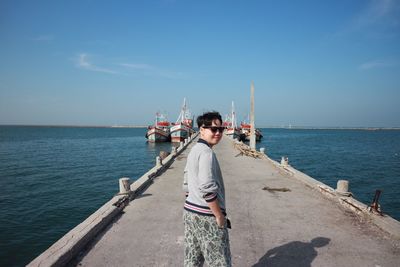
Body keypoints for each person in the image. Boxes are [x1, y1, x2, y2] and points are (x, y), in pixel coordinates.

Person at [183, 111, 231, 267]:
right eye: (212, 129)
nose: (217, 133)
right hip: (207, 216)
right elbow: (207, 188)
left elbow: (186, 181)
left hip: (190, 213)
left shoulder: (194, 150)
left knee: (192, 259)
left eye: (220, 129)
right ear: (201, 130)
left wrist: (192, 200)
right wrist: (218, 216)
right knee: (219, 261)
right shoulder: (207, 153)